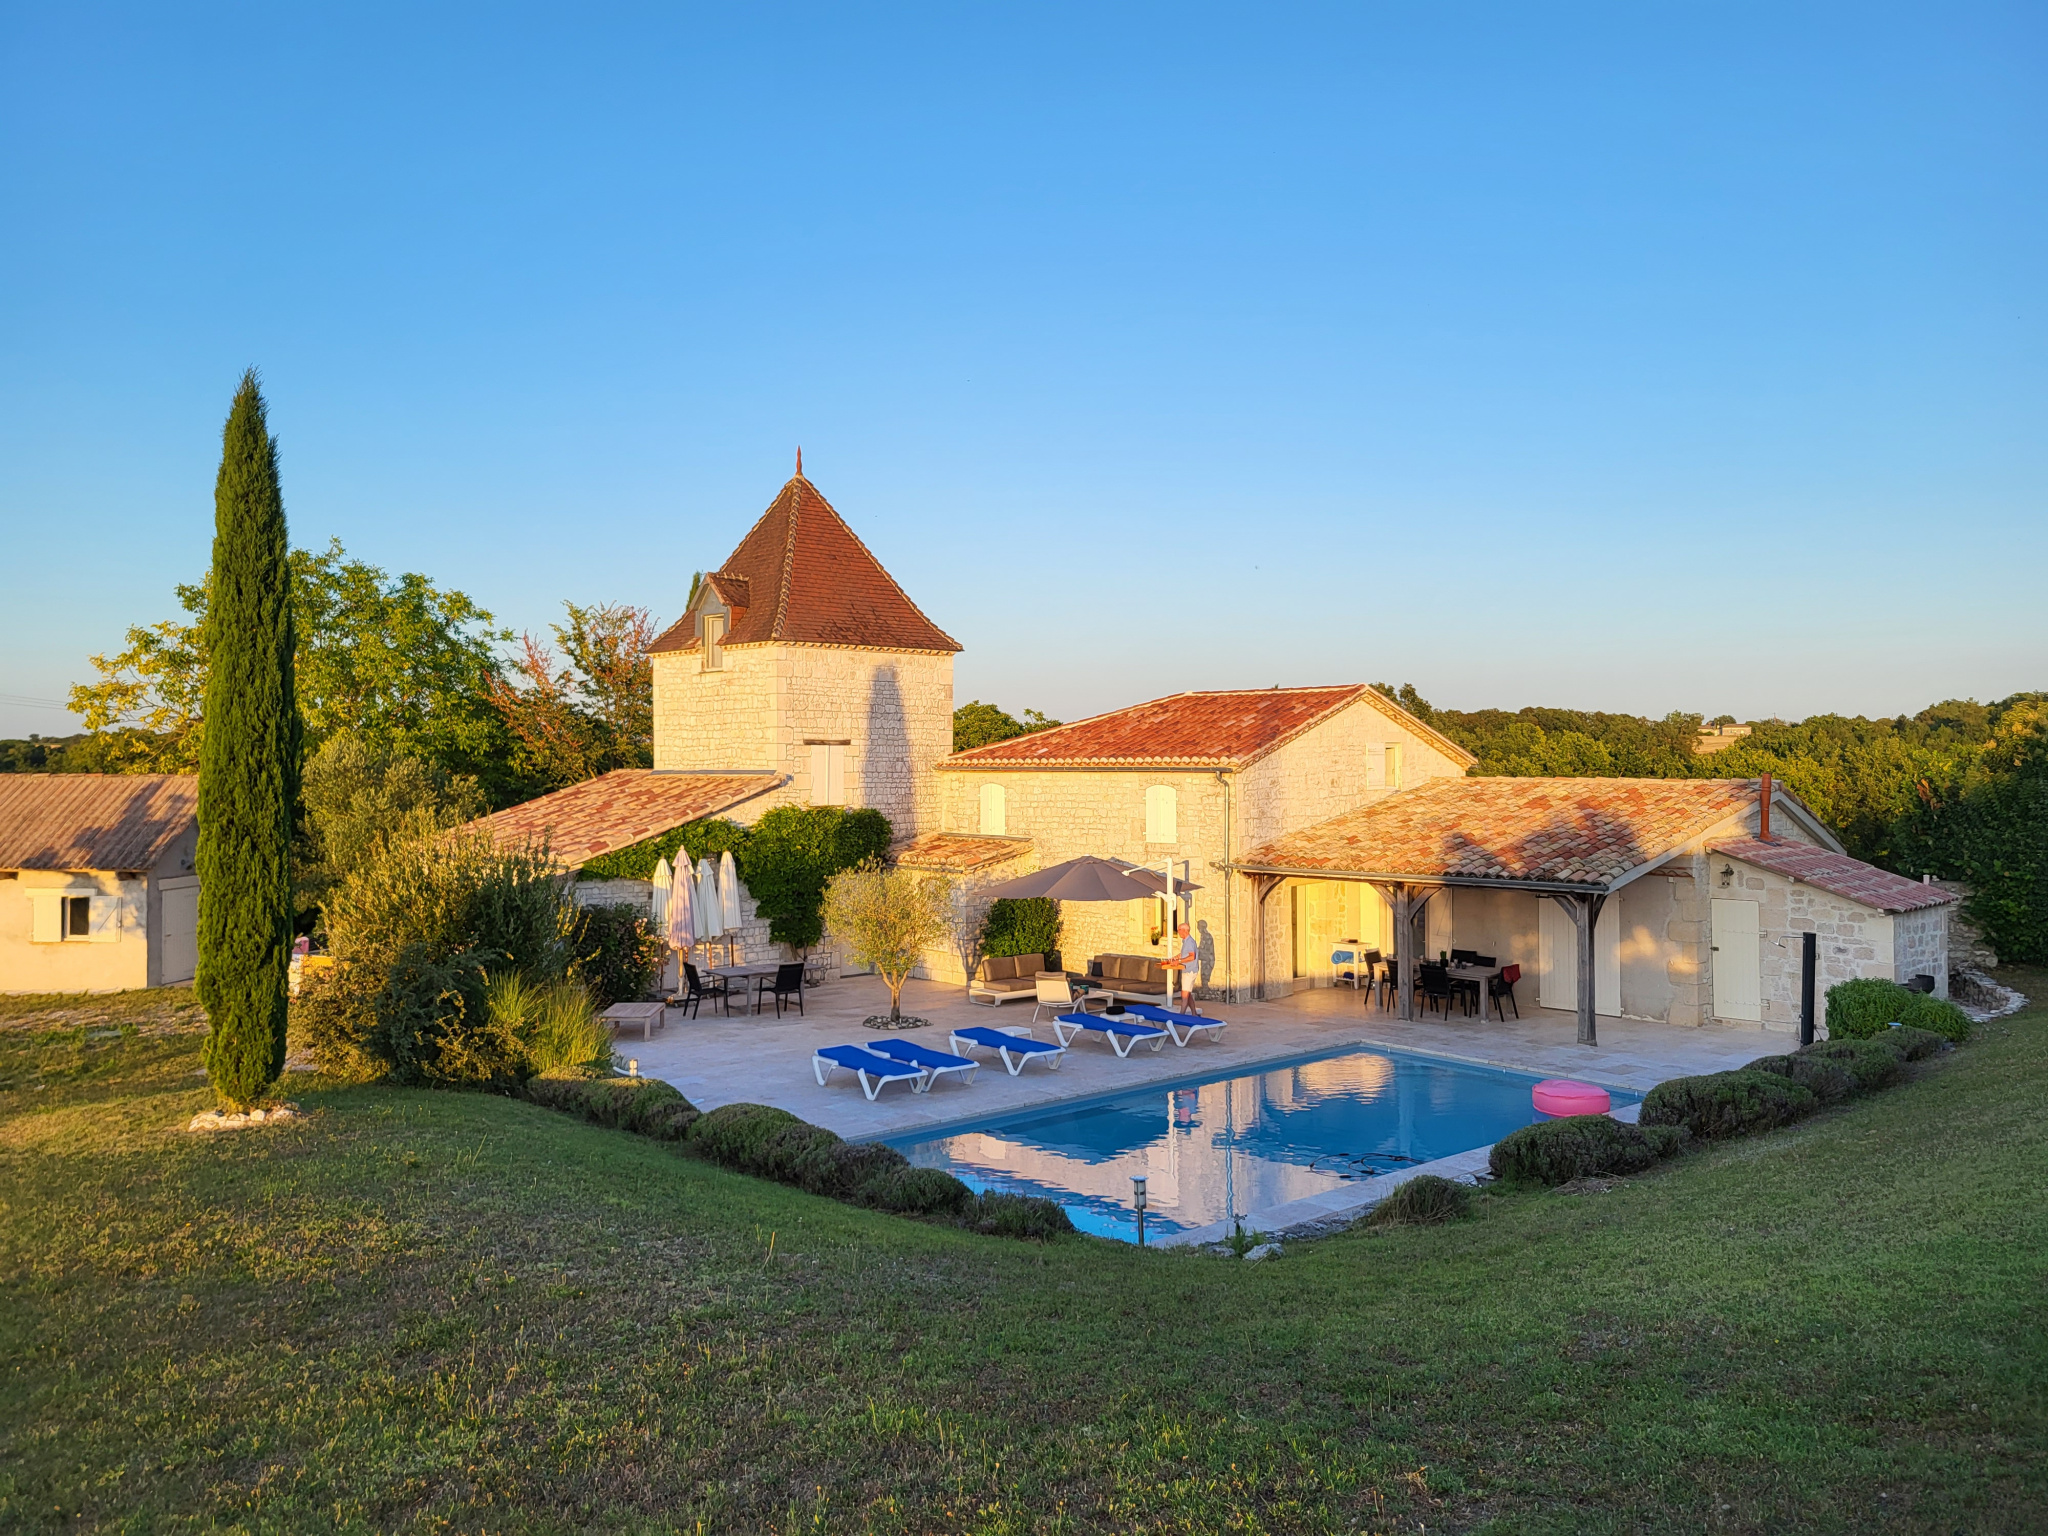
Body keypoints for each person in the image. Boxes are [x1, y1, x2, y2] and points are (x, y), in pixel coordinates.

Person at [1166, 921, 1202, 1015]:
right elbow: (1184, 954)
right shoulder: (1186, 941)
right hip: (1186, 969)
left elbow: (1191, 956)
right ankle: (1194, 1013)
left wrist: (1179, 961)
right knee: (1188, 993)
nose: (1178, 932)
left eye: (1179, 930)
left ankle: (1181, 1015)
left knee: (1184, 994)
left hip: (1190, 970)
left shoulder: (1189, 942)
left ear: (1185, 931)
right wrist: (1176, 958)